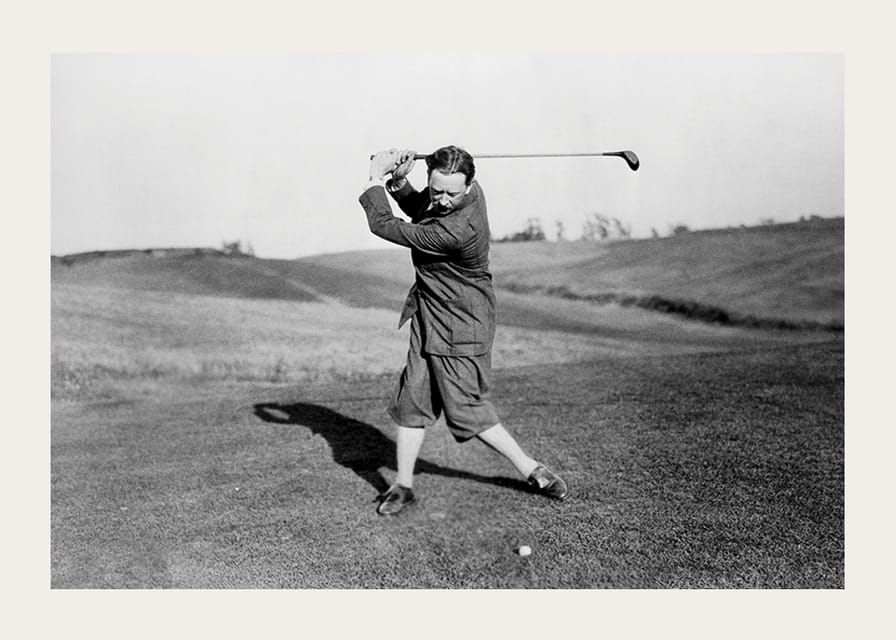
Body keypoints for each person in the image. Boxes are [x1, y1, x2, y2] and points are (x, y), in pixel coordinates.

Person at [359, 145, 568, 516]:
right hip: (430, 315)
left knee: (466, 410)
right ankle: (403, 486)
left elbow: (386, 225)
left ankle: (531, 469)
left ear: (470, 185)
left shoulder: (457, 230)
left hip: (461, 325)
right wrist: (400, 182)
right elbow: (424, 207)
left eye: (450, 193)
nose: (442, 199)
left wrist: (376, 176)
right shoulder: (456, 197)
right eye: (435, 189)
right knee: (412, 402)